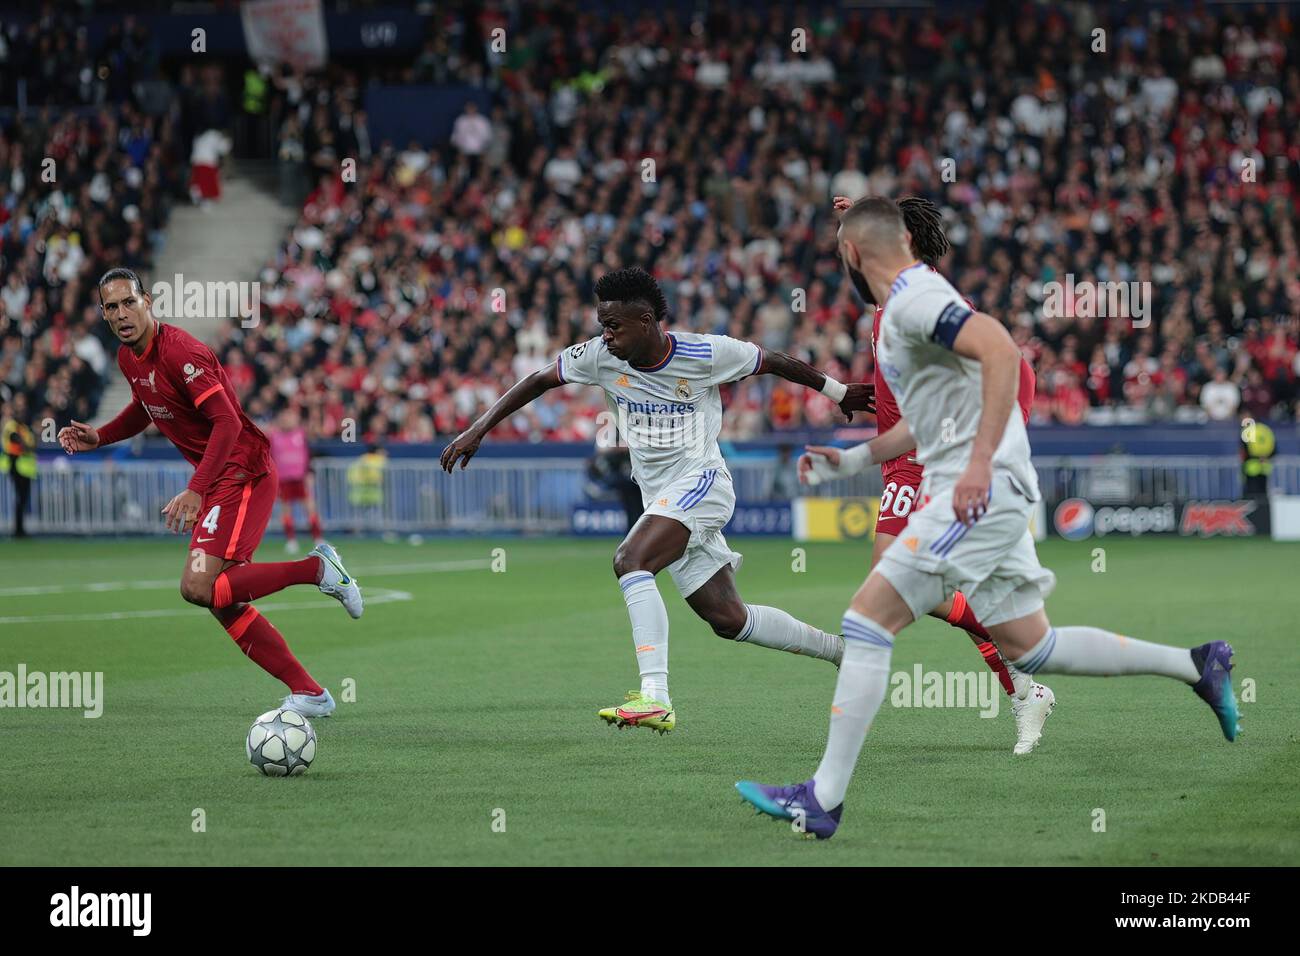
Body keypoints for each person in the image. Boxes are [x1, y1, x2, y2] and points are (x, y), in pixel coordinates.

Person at [737, 198, 1238, 839]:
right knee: (1036, 647)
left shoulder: (913, 301)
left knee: (866, 621)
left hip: (971, 493)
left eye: (841, 249)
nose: (840, 261)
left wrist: (979, 464)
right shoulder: (912, 305)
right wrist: (852, 459)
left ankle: (823, 799)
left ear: (856, 254)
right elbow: (928, 418)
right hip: (986, 491)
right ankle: (1198, 665)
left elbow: (1004, 352)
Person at [442, 266, 874, 733]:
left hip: (702, 482)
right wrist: (478, 428)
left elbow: (774, 360)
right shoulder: (600, 357)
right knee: (728, 619)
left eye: (614, 326)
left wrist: (838, 391)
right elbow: (539, 380)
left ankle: (655, 697)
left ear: (646, 321)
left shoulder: (705, 352)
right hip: (662, 499)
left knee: (631, 560)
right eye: (601, 325)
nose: (605, 336)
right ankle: (839, 651)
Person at [802, 195, 1055, 756]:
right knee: (916, 592)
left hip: (925, 462)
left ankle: (1021, 667)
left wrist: (995, 443)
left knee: (891, 588)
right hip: (902, 458)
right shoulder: (886, 297)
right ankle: (1022, 680)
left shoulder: (930, 299)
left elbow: (1014, 366)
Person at [58, 268, 363, 717]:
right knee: (218, 596)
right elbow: (147, 405)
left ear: (148, 301)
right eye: (111, 307)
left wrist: (196, 490)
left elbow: (228, 422)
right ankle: (310, 693)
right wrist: (100, 437)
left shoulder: (183, 353)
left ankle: (316, 569)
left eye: (129, 302)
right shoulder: (129, 358)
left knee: (198, 585)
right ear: (103, 314)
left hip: (243, 474)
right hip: (222, 479)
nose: (122, 313)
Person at [268, 405, 323, 553]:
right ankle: (291, 540)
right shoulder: (274, 436)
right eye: (284, 417)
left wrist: (309, 472)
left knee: (310, 508)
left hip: (300, 478)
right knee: (286, 510)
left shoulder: (301, 434)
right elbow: (270, 457)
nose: (287, 420)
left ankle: (318, 538)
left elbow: (309, 454)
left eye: (290, 417)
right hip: (283, 479)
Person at [2, 395, 37, 537]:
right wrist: (28, 446)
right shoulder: (12, 426)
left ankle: (20, 528)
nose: (22, 414)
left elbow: (33, 445)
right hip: (16, 465)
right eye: (20, 412)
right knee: (19, 499)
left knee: (22, 499)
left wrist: (29, 446)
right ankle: (18, 530)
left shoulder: (23, 428)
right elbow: (22, 444)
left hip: (26, 468)